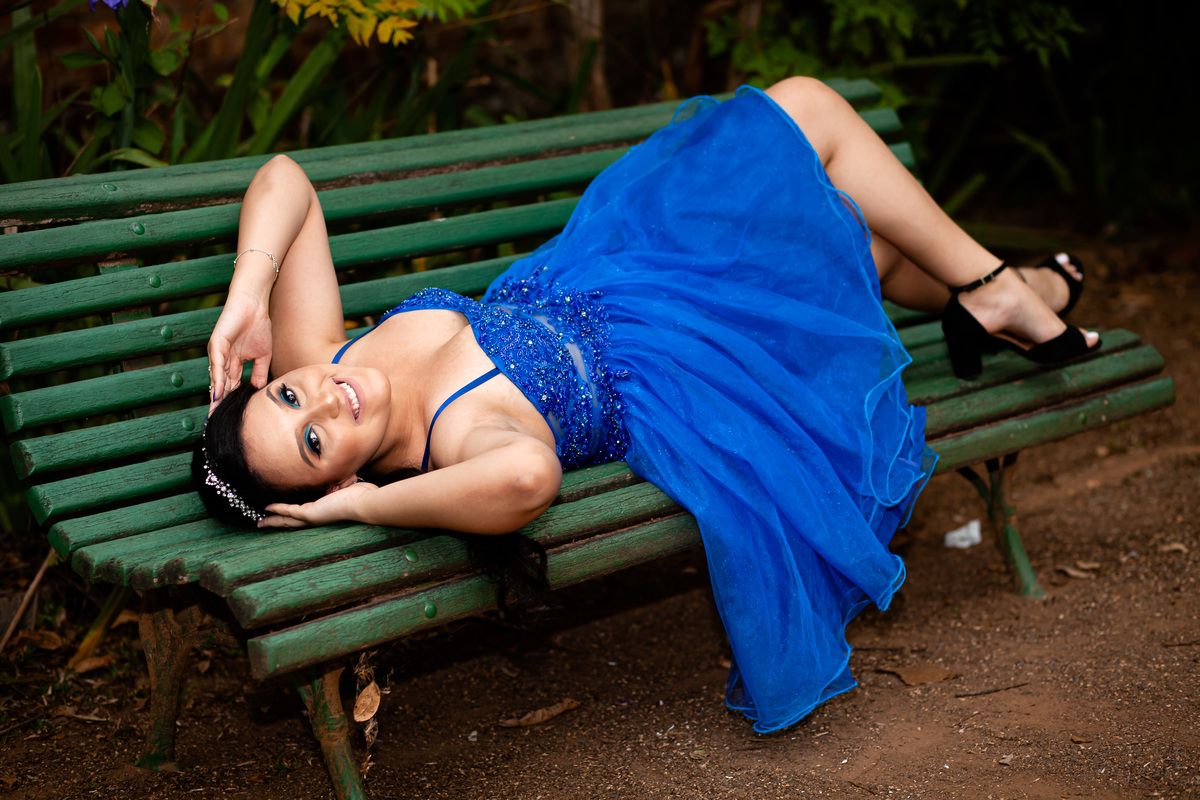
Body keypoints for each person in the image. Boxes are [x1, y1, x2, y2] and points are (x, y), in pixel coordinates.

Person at [195, 77, 1097, 733]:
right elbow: (527, 477)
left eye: (287, 395)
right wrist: (367, 509)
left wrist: (248, 296)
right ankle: (1006, 292)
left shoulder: (329, 359)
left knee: (829, 197)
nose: (323, 401)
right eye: (314, 442)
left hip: (624, 270)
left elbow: (285, 179)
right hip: (685, 365)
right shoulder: (460, 437)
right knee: (828, 171)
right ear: (338, 479)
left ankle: (1010, 295)